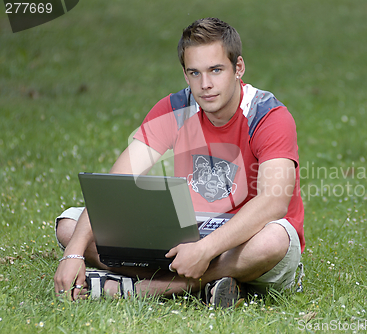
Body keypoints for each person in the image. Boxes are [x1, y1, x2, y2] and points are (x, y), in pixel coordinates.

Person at [53, 17, 305, 308]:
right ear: (185, 75)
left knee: (274, 240)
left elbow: (273, 202)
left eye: (216, 70)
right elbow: (115, 186)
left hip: (246, 237)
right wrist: (72, 254)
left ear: (238, 68)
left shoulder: (268, 115)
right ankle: (214, 283)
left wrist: (205, 249)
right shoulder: (174, 108)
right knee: (70, 226)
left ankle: (148, 288)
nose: (206, 85)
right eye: (194, 73)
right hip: (190, 231)